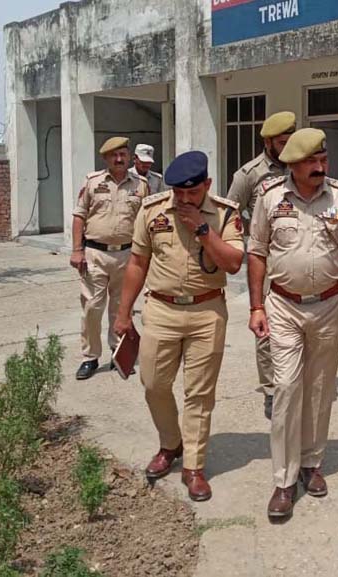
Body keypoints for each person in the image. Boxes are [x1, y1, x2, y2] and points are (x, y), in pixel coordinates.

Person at [247, 128, 338, 520]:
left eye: (323, 160)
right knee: (285, 388)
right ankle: (284, 479)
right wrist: (255, 307)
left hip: (331, 304)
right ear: (293, 165)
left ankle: (311, 463)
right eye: (312, 162)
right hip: (283, 305)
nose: (320, 167)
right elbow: (257, 253)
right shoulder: (269, 198)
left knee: (320, 388)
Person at [113, 150, 244, 502]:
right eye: (179, 193)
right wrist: (123, 313)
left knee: (199, 393)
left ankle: (194, 466)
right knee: (154, 382)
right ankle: (170, 443)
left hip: (207, 312)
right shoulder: (152, 210)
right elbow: (138, 262)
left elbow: (233, 263)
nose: (184, 199)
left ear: (207, 185)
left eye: (192, 192)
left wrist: (203, 230)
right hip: (161, 310)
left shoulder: (225, 213)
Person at [227, 111, 296, 420]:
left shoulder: (301, 163)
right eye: (282, 142)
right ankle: (270, 389)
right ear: (268, 142)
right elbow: (230, 213)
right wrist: (239, 240)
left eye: (290, 139)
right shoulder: (249, 174)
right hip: (265, 262)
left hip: (296, 257)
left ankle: (292, 379)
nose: (288, 146)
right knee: (266, 326)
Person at [71, 137, 148, 380]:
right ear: (105, 158)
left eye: (123, 154)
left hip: (127, 254)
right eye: (114, 155)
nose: (119, 159)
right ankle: (90, 357)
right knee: (93, 307)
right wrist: (76, 249)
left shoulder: (141, 184)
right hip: (95, 254)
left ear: (129, 157)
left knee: (121, 308)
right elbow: (79, 216)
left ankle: (119, 352)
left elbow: (146, 221)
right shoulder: (93, 182)